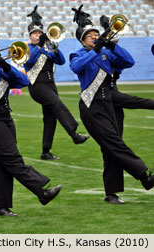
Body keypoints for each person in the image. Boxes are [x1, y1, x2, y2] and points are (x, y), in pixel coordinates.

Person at [0, 16, 62, 217]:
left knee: (2, 165)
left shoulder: (0, 66)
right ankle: (41, 191)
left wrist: (7, 67)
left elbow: (24, 81)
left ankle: (2, 207)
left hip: (5, 118)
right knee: (13, 159)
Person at [69, 5, 154, 204]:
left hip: (108, 105)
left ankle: (111, 193)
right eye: (90, 36)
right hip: (91, 107)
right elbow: (76, 67)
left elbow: (129, 61)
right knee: (115, 144)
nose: (95, 37)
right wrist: (97, 48)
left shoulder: (106, 54)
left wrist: (112, 45)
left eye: (97, 34)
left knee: (110, 149)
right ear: (83, 40)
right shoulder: (79, 54)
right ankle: (144, 175)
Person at [23, 5, 89, 161]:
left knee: (50, 117)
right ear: (30, 36)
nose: (37, 35)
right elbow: (31, 60)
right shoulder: (25, 49)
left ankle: (46, 151)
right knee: (57, 104)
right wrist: (40, 46)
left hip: (50, 84)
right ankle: (74, 134)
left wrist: (53, 48)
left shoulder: (46, 47)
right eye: (34, 33)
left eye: (40, 32)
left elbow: (61, 61)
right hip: (37, 85)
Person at [99, 15, 154, 137]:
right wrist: (106, 31)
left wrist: (113, 46)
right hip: (104, 93)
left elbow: (129, 61)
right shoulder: (100, 53)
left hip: (112, 89)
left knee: (118, 131)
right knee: (135, 101)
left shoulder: (113, 54)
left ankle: (116, 152)